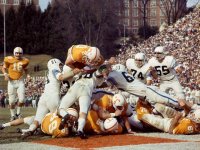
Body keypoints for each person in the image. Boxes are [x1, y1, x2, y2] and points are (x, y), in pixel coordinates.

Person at [21, 58, 81, 137]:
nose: (61, 67)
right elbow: (60, 77)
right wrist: (73, 72)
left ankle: (30, 130)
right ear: (56, 64)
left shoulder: (49, 73)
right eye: (60, 65)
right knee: (59, 113)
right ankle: (68, 123)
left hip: (43, 97)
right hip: (53, 96)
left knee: (37, 120)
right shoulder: (54, 68)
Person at [58, 65, 107, 139]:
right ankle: (80, 130)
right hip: (86, 90)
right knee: (83, 113)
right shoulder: (94, 74)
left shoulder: (79, 75)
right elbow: (100, 71)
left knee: (61, 108)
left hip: (75, 87)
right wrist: (105, 70)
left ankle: (65, 115)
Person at [0, 108, 79, 138]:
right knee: (38, 131)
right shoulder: (66, 131)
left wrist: (65, 118)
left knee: (23, 120)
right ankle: (24, 131)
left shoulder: (59, 114)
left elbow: (59, 110)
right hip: (43, 128)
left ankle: (4, 125)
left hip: (41, 119)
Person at [1, 47, 30, 121]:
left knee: (22, 99)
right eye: (17, 53)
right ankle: (13, 115)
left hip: (20, 81)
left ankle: (18, 113)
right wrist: (5, 74)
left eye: (20, 53)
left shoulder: (25, 60)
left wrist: (28, 75)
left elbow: (26, 69)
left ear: (22, 53)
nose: (18, 54)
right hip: (11, 82)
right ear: (14, 53)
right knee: (11, 101)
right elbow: (3, 67)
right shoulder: (9, 59)